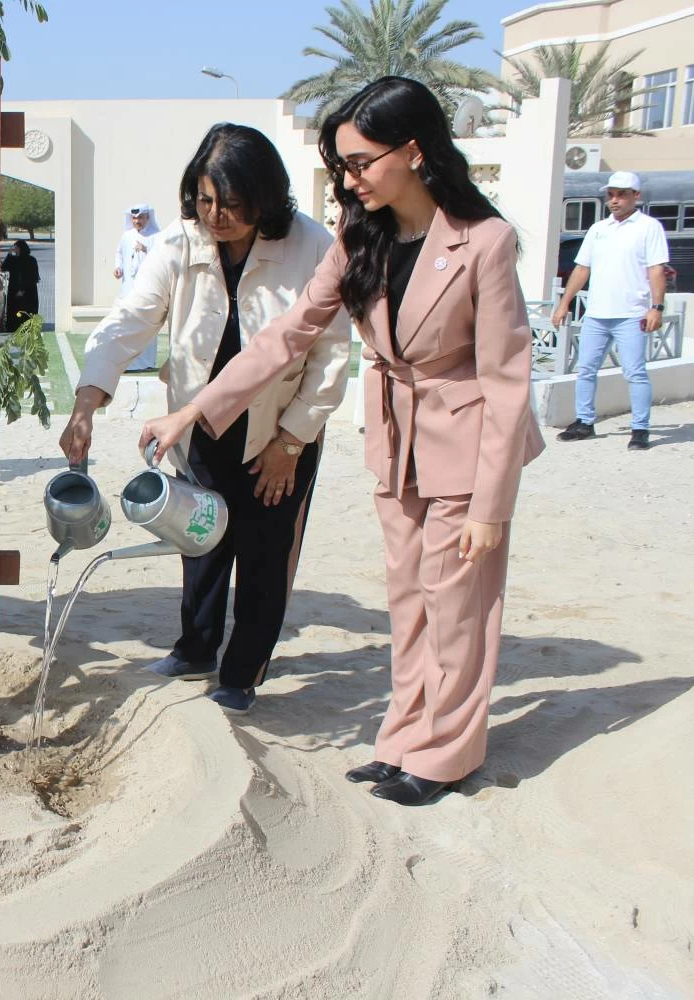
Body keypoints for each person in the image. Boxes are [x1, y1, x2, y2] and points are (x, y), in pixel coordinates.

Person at [141, 77, 544, 806]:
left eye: (359, 162)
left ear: (414, 151)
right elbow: (286, 336)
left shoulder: (485, 242)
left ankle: (448, 754)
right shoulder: (363, 235)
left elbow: (509, 381)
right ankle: (403, 742)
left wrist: (492, 501)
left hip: (464, 447)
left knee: (458, 607)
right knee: (409, 602)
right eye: (342, 166)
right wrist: (195, 411)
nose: (348, 179)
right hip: (396, 444)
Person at [61, 124, 349, 711]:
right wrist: (86, 400)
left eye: (233, 205)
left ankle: (240, 673)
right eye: (204, 200)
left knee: (265, 555)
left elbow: (329, 358)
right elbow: (128, 322)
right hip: (199, 427)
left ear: (265, 198)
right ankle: (195, 648)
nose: (215, 216)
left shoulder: (313, 247)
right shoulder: (177, 243)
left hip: (279, 431)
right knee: (200, 539)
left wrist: (290, 443)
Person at [552, 170, 669, 451]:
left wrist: (656, 307)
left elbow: (656, 270)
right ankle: (584, 421)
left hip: (631, 314)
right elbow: (582, 269)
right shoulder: (598, 229)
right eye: (611, 195)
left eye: (622, 194)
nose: (615, 200)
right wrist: (564, 302)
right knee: (586, 369)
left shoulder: (649, 227)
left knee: (635, 372)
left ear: (635, 196)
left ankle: (640, 428)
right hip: (596, 313)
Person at [114, 204, 162, 370]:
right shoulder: (127, 236)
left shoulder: (156, 236)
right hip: (128, 289)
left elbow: (162, 258)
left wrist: (146, 249)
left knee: (146, 325)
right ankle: (129, 362)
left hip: (148, 290)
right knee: (127, 324)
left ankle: (146, 362)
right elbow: (119, 253)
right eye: (134, 218)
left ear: (147, 218)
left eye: (140, 218)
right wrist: (118, 267)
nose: (137, 221)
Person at [0, 239, 39, 333]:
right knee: (14, 310)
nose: (15, 249)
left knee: (27, 311)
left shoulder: (31, 260)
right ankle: (13, 328)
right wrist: (9, 254)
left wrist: (23, 290)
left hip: (28, 291)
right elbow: (3, 267)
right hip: (14, 290)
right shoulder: (13, 259)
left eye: (16, 248)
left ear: (22, 248)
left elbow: (33, 277)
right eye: (14, 247)